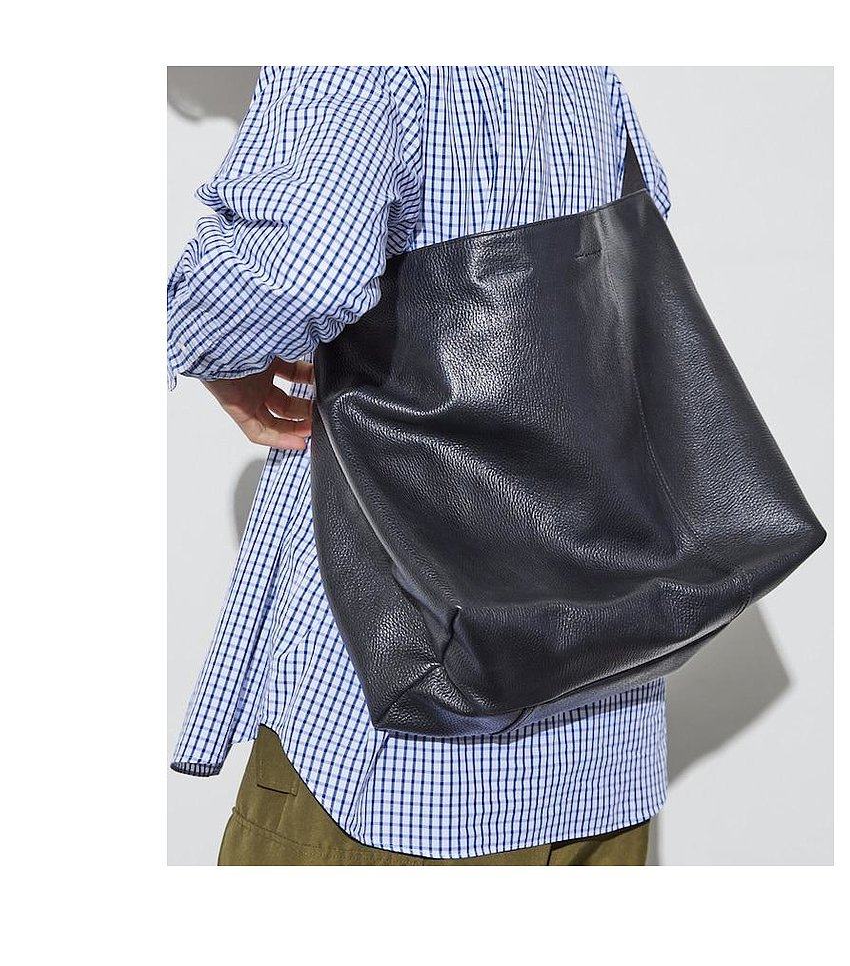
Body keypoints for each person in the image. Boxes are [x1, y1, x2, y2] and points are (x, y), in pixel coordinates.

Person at [168, 66, 673, 866]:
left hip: (396, 771)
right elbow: (638, 229)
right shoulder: (579, 65)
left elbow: (298, 274)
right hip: (603, 742)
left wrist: (202, 339)